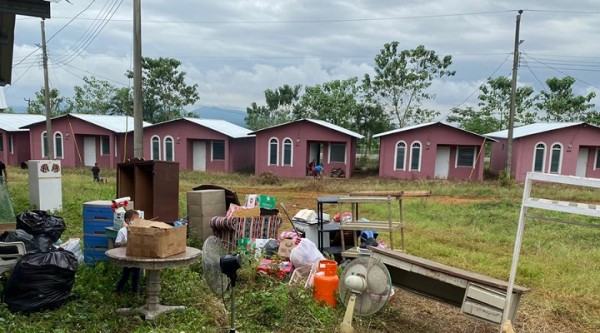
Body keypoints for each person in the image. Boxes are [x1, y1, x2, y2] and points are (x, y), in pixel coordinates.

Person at [115, 210, 141, 293]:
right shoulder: (122, 231)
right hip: (125, 256)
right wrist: (128, 243)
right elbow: (117, 244)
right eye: (135, 220)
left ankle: (135, 293)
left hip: (136, 257)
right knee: (126, 275)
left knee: (136, 275)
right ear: (127, 220)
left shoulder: (138, 231)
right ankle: (118, 291)